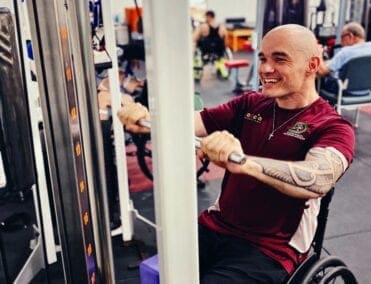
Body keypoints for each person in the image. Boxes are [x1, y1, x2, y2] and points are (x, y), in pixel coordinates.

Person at [118, 24, 355, 283]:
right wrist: (147, 118)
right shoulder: (251, 103)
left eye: (280, 59)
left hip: (269, 248)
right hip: (215, 226)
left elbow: (318, 178)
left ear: (311, 65)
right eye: (263, 58)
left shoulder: (332, 126)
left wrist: (245, 163)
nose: (265, 68)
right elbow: (191, 121)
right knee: (162, 276)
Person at [318, 21, 371, 95]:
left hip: (344, 90)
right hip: (366, 90)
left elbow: (322, 71)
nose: (341, 41)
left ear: (350, 36)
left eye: (342, 37)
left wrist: (318, 54)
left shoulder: (346, 52)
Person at [192, 10, 229, 79]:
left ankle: (197, 74)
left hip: (205, 51)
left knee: (196, 46)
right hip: (219, 52)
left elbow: (194, 39)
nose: (205, 19)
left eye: (205, 17)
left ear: (209, 16)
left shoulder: (203, 26)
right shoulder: (223, 28)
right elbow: (226, 43)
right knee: (220, 57)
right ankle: (222, 68)